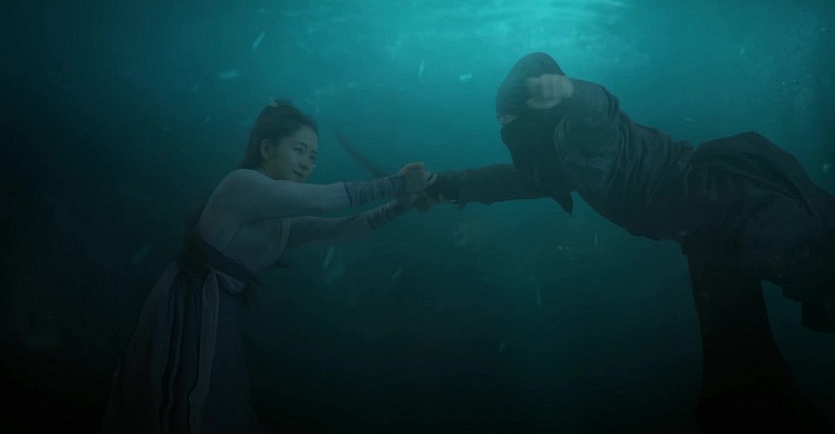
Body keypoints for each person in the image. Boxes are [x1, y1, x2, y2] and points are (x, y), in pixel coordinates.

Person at [420, 52, 835, 431]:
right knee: (737, 358)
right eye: (501, 124)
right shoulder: (558, 160)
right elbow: (516, 181)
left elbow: (600, 106)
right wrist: (442, 185)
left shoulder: (582, 135)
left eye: (509, 120)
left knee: (815, 267)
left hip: (730, 202)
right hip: (706, 235)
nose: (505, 131)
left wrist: (569, 90)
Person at [100, 99, 435, 434]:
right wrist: (398, 183)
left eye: (313, 157)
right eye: (299, 151)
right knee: (182, 402)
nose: (306, 164)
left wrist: (400, 205)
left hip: (216, 308)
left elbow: (342, 229)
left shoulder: (282, 219)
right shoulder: (242, 184)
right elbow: (323, 200)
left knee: (211, 404)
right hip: (191, 302)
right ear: (267, 149)